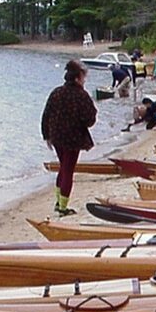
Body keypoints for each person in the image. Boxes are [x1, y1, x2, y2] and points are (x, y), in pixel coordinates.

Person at [40, 59, 97, 217]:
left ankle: (59, 202)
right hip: (73, 138)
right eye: (84, 78)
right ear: (78, 78)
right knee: (68, 170)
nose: (84, 81)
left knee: (63, 167)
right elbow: (90, 120)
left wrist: (46, 135)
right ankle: (63, 207)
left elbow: (46, 115)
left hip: (56, 136)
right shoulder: (81, 95)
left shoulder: (56, 92)